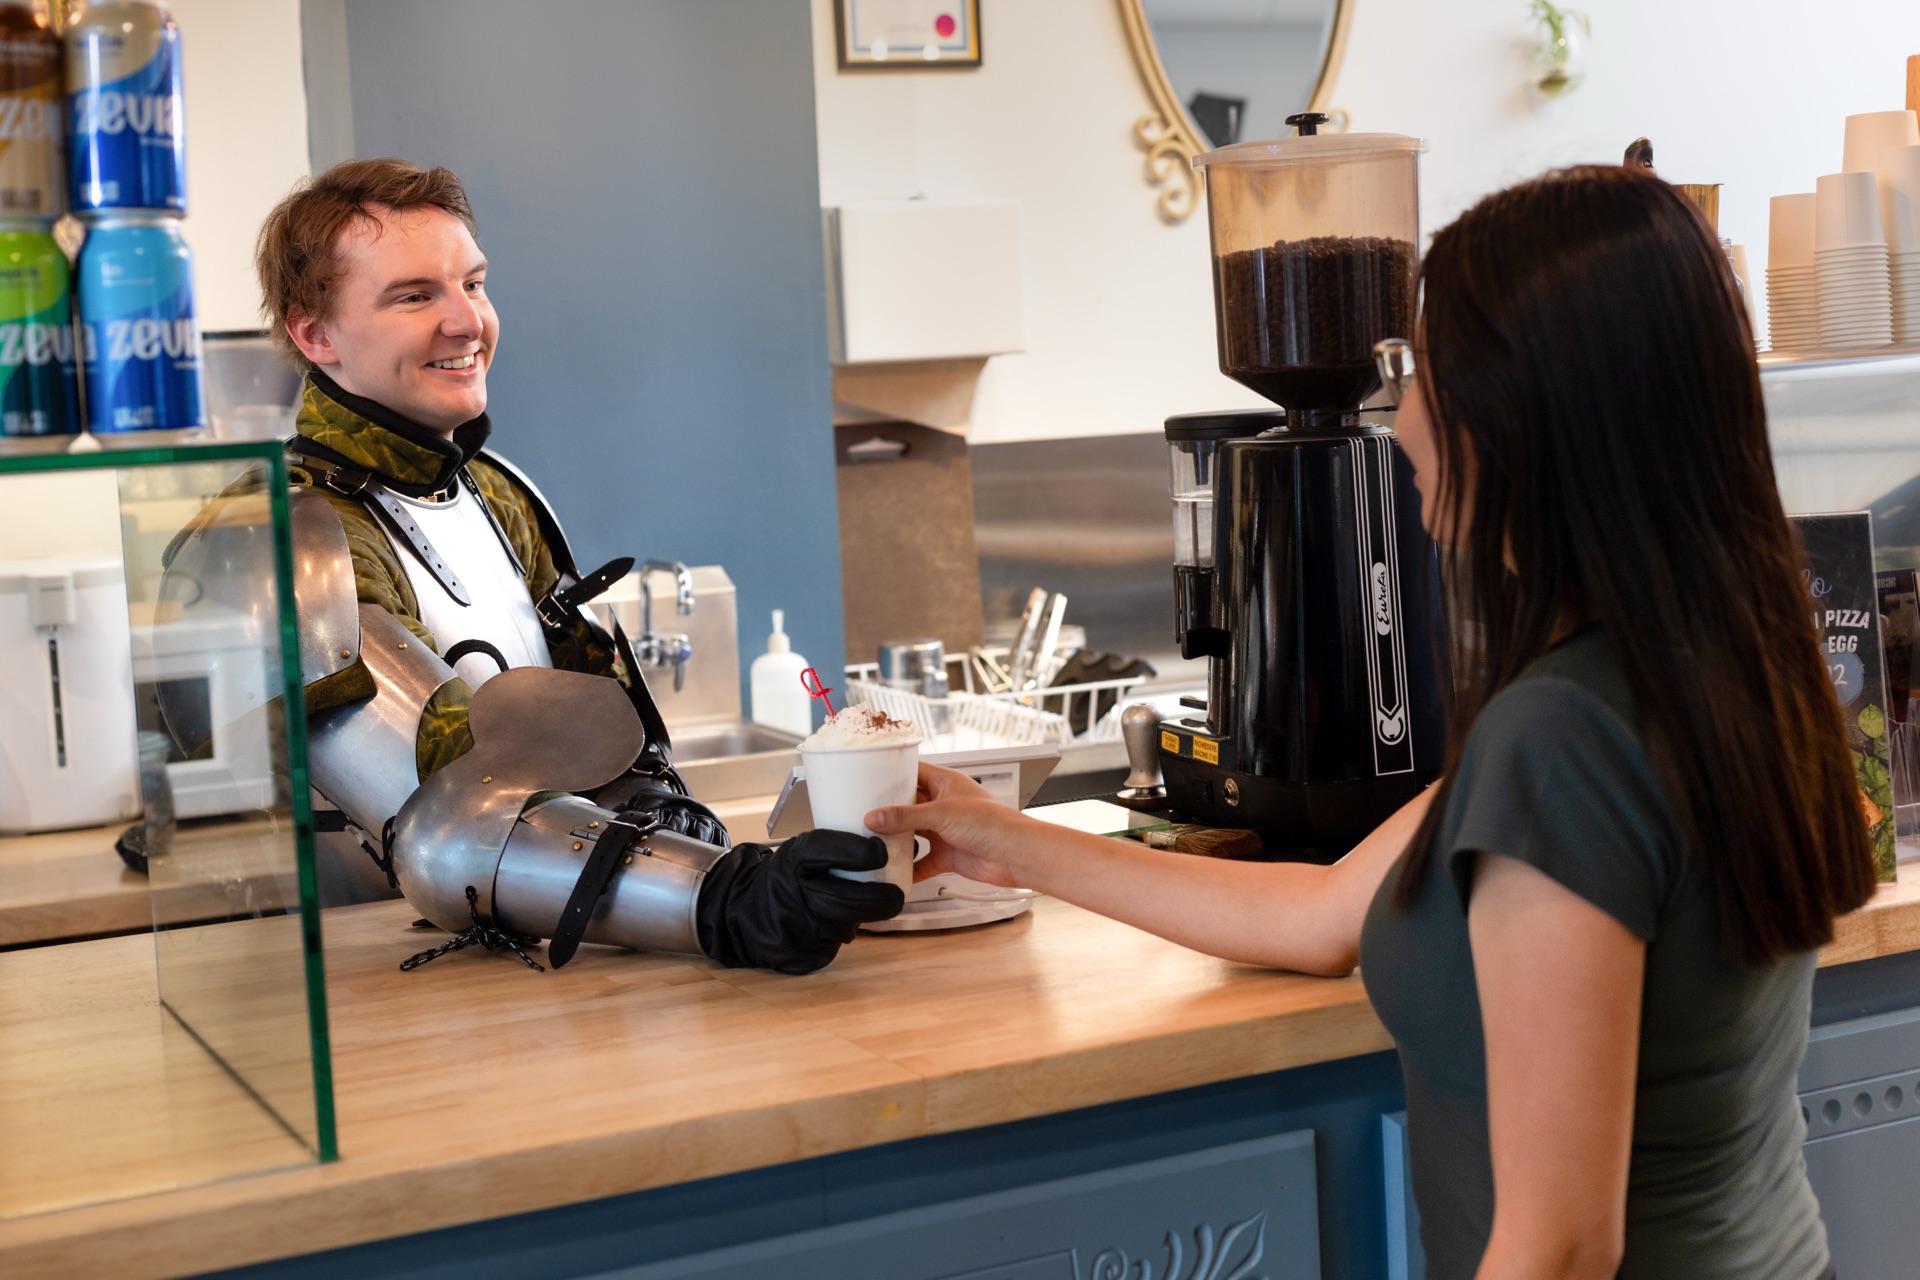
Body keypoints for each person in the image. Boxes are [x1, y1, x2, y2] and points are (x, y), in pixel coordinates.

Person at [869, 166, 1876, 1279]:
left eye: (1425, 377)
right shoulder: (1712, 671)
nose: (1401, 426)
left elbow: (1563, 1245)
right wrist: (998, 837)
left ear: (1528, 416)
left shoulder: (1562, 742)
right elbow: (1320, 914)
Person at [227, 158, 900, 972]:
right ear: (314, 334)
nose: (466, 321)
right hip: (365, 988)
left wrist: (677, 834)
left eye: (472, 284)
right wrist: (715, 898)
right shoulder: (288, 539)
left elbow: (589, 736)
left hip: (552, 960)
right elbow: (451, 816)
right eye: (414, 296)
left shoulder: (498, 492)